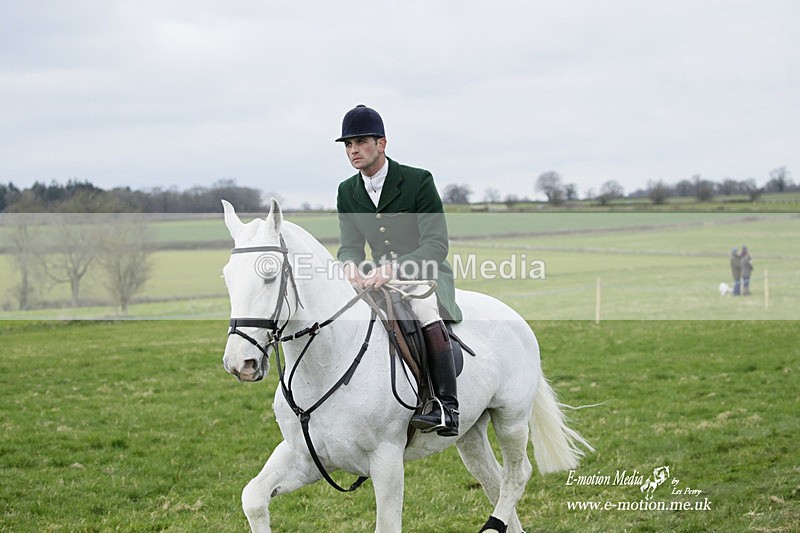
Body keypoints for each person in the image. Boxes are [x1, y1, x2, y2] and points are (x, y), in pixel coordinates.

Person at [335, 104, 462, 437]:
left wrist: (394, 268)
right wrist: (349, 265)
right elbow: (349, 245)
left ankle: (446, 406)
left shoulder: (418, 181)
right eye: (348, 144)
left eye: (361, 141)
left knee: (422, 308)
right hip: (376, 278)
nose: (353, 150)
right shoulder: (346, 191)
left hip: (425, 274)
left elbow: (436, 245)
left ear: (382, 144)